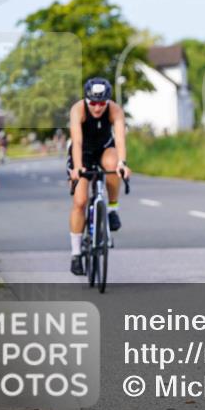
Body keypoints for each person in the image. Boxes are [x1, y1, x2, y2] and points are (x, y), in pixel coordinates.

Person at [66, 77, 131, 276]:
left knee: (113, 165)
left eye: (101, 103)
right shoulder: (78, 110)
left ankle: (112, 208)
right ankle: (76, 254)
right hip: (82, 152)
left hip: (104, 148)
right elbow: (76, 142)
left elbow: (119, 139)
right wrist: (77, 168)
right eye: (93, 103)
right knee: (80, 201)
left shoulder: (114, 110)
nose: (97, 108)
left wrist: (122, 163)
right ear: (86, 100)